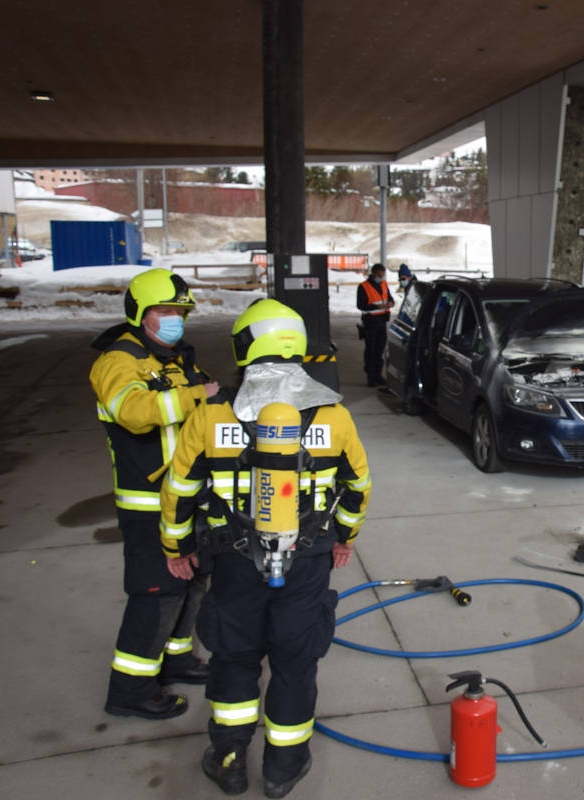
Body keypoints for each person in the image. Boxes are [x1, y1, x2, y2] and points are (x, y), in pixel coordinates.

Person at [160, 299, 371, 797]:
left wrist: (176, 546)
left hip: (233, 560)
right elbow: (358, 485)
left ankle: (230, 759)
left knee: (234, 658)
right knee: (296, 661)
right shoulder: (332, 414)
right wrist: (345, 537)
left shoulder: (211, 414)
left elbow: (180, 490)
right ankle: (283, 768)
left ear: (245, 346)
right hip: (308, 558)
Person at [89, 268, 219, 720]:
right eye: (166, 311)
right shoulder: (117, 361)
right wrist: (196, 395)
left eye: (180, 311)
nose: (175, 319)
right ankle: (131, 687)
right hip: (148, 503)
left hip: (187, 498)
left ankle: (176, 658)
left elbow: (206, 401)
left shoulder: (178, 358)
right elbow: (134, 412)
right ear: (141, 314)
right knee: (156, 592)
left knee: (192, 583)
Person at [356, 263, 392, 386]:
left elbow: (390, 298)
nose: (381, 277)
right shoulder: (363, 286)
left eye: (382, 275)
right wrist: (376, 306)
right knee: (371, 350)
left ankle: (378, 375)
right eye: (379, 275)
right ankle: (370, 377)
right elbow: (360, 305)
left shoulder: (384, 284)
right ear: (373, 274)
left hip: (382, 321)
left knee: (380, 350)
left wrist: (391, 303)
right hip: (370, 322)